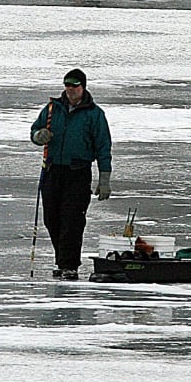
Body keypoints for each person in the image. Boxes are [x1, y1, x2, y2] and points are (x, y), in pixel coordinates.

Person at [29, 68, 113, 279]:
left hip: (78, 172)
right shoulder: (51, 109)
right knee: (52, 218)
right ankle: (62, 260)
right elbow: (35, 130)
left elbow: (103, 147)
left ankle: (69, 265)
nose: (70, 90)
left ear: (83, 87)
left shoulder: (95, 114)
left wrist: (104, 178)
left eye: (74, 86)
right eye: (67, 85)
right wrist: (39, 136)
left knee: (72, 221)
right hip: (53, 170)